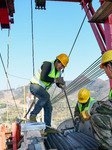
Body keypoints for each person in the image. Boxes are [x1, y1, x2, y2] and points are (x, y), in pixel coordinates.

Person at [29, 53, 69, 127]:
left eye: (63, 66)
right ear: (57, 61)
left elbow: (56, 82)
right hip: (35, 86)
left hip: (42, 89)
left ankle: (47, 127)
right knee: (46, 96)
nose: (62, 67)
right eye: (62, 65)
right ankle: (33, 115)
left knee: (49, 107)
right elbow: (43, 77)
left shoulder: (59, 72)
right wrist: (56, 80)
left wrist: (61, 84)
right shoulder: (48, 65)